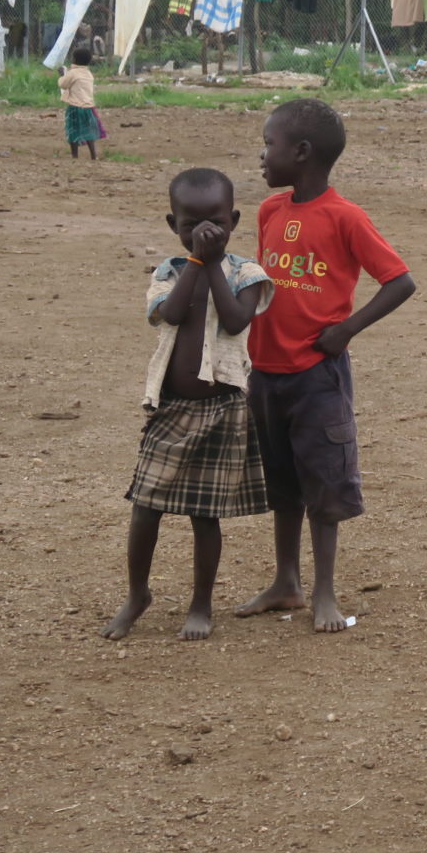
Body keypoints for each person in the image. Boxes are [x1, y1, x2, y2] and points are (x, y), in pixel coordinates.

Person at [237, 99, 417, 633]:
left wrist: (346, 330)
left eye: (269, 144)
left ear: (302, 152)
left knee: (324, 485)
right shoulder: (270, 212)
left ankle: (325, 593)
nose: (262, 156)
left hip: (317, 377)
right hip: (265, 372)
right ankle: (286, 582)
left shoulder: (346, 217)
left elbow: (400, 281)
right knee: (282, 483)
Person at [103, 169, 274, 641]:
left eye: (214, 222)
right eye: (189, 224)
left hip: (223, 411)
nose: (203, 232)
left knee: (205, 515)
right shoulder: (169, 272)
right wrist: (197, 262)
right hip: (172, 409)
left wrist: (215, 264)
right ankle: (138, 594)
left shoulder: (246, 273)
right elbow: (171, 315)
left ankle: (201, 604)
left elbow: (238, 322)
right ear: (172, 224)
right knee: (145, 506)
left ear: (234, 220)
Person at [60, 46, 103, 161]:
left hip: (75, 106)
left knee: (73, 130)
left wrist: (62, 75)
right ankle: (93, 155)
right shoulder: (88, 74)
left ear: (74, 59)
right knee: (89, 131)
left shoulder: (72, 73)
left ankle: (75, 156)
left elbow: (63, 85)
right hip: (89, 107)